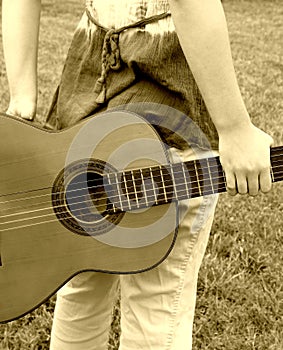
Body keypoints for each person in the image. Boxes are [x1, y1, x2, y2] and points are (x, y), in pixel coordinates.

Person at [1, 0, 274, 349]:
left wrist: (23, 97)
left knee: (80, 285)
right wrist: (234, 128)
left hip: (85, 96)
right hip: (167, 105)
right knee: (157, 304)